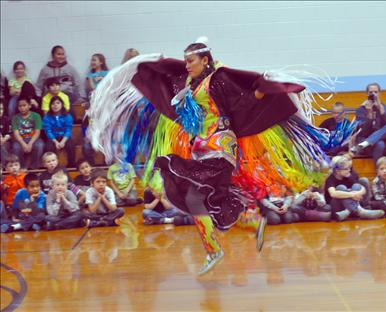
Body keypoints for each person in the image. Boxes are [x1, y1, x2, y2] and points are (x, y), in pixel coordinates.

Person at [87, 38, 334, 275]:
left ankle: (217, 248)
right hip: (201, 150)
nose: (187, 66)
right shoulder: (192, 84)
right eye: (185, 61)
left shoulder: (219, 79)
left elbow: (241, 103)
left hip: (221, 150)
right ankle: (247, 224)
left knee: (194, 193)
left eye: (191, 61)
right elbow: (180, 103)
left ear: (205, 60)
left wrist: (261, 91)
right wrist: (152, 65)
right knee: (195, 200)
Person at [324, 155, 384, 221]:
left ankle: (349, 211)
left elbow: (363, 189)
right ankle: (359, 211)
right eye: (346, 169)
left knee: (356, 186)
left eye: (349, 168)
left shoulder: (348, 176)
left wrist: (357, 193)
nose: (349, 170)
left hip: (345, 208)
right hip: (336, 206)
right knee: (341, 187)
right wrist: (352, 194)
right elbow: (333, 194)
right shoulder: (330, 179)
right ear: (338, 171)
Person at [352, 83, 386, 165]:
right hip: (367, 142)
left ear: (379, 93)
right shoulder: (361, 110)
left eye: (376, 92)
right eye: (371, 92)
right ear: (367, 94)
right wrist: (369, 114)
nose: (373, 94)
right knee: (379, 144)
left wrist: (381, 110)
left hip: (383, 141)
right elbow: (363, 132)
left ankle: (364, 144)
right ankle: (379, 173)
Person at [11, 96, 44, 169]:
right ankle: (21, 167)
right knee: (16, 147)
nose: (22, 108)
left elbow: (37, 132)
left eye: (24, 105)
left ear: (29, 105)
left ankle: (34, 167)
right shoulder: (15, 118)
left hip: (34, 139)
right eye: (20, 106)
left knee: (40, 145)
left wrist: (30, 143)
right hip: (21, 140)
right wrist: (23, 144)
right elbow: (16, 133)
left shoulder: (36, 116)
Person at [42, 95, 75, 167]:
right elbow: (48, 131)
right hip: (53, 138)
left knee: (71, 145)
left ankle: (71, 166)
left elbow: (68, 130)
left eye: (58, 103)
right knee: (48, 147)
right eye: (53, 104)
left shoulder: (68, 116)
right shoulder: (47, 117)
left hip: (64, 137)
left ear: (62, 104)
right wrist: (55, 142)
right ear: (50, 106)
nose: (55, 105)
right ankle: (53, 166)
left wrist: (63, 141)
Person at [0, 100, 12, 164]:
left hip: (5, 141)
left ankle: (4, 167)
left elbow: (10, 133)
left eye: (1, 109)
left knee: (3, 146)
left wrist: (4, 139)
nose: (0, 111)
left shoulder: (6, 119)